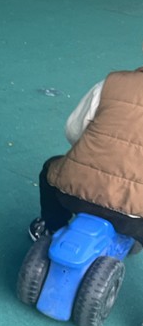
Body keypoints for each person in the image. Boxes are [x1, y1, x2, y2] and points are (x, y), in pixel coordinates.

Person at [29, 67, 143, 244]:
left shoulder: (111, 84)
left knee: (50, 169)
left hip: (72, 194)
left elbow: (73, 131)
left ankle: (51, 227)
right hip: (135, 217)